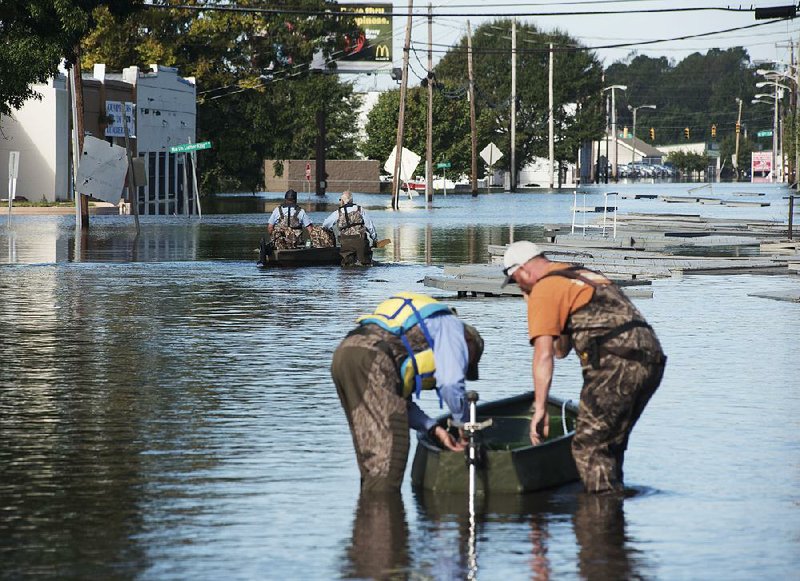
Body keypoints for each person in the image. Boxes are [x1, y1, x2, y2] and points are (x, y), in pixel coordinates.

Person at [501, 241, 666, 494]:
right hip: (650, 357)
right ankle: (614, 517)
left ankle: (599, 518)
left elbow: (544, 356)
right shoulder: (577, 274)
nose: (520, 287)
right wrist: (532, 304)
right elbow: (561, 350)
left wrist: (540, 408)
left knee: (588, 446)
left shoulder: (545, 287)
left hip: (615, 362)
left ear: (522, 271)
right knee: (610, 444)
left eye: (515, 281)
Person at [331, 292, 484, 491]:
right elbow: (450, 383)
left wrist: (433, 428)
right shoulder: (452, 326)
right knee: (390, 461)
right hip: (375, 360)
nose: (463, 365)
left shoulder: (413, 333)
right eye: (468, 361)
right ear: (469, 341)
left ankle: (370, 516)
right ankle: (386, 517)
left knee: (372, 460)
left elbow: (399, 403)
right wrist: (464, 423)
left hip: (345, 354)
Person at [321, 190, 377, 265]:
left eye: (340, 200)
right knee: (365, 264)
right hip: (360, 241)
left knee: (347, 266)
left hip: (345, 243)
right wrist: (375, 239)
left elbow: (325, 224)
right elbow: (370, 226)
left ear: (343, 201)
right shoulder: (360, 210)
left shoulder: (338, 212)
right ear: (351, 200)